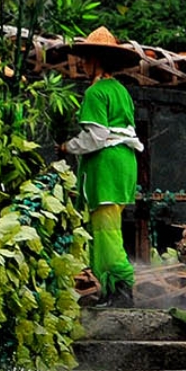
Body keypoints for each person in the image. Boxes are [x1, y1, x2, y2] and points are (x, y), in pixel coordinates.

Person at [58, 27, 144, 306]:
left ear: (97, 60)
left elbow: (95, 137)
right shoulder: (121, 90)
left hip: (106, 166)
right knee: (104, 227)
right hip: (124, 164)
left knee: (106, 231)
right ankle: (107, 291)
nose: (82, 65)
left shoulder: (95, 94)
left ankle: (123, 286)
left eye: (86, 59)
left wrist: (68, 147)